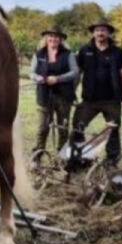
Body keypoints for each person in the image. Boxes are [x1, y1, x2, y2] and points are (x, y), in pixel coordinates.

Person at [68, 18, 122, 170]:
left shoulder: (118, 52)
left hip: (112, 100)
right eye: (97, 30)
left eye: (103, 30)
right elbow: (77, 74)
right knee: (77, 126)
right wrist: (71, 93)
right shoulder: (85, 50)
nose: (100, 33)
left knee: (113, 129)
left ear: (109, 32)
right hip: (89, 100)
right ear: (93, 33)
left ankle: (111, 160)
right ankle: (77, 158)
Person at [29, 27, 77, 161]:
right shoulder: (38, 54)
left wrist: (58, 79)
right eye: (50, 36)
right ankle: (37, 157)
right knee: (43, 128)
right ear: (46, 38)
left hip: (64, 97)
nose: (53, 39)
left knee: (63, 128)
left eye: (56, 36)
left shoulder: (68, 54)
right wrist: (37, 78)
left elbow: (74, 72)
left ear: (60, 39)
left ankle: (62, 157)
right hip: (44, 96)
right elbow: (31, 72)